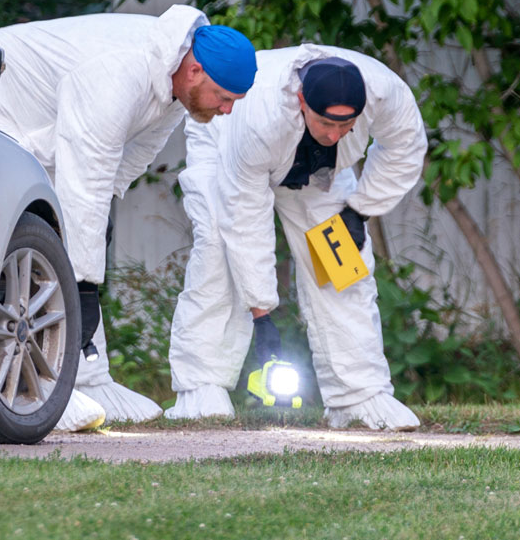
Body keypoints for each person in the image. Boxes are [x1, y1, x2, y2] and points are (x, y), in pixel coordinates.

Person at [0, 5, 257, 430]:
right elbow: (85, 183)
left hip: (46, 133)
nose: (227, 110)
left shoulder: (174, 89)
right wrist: (83, 285)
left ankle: (89, 378)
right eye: (225, 98)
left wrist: (96, 228)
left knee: (78, 235)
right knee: (39, 241)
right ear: (195, 71)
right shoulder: (120, 73)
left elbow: (127, 160)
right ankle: (40, 388)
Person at [165, 44, 427, 430]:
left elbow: (406, 148)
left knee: (344, 271)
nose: (335, 134)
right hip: (225, 146)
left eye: (346, 126)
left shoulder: (386, 94)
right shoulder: (260, 116)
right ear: (302, 100)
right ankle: (201, 389)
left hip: (321, 176)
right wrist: (262, 314)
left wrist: (360, 208)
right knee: (219, 252)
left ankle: (358, 395)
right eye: (327, 124)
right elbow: (246, 216)